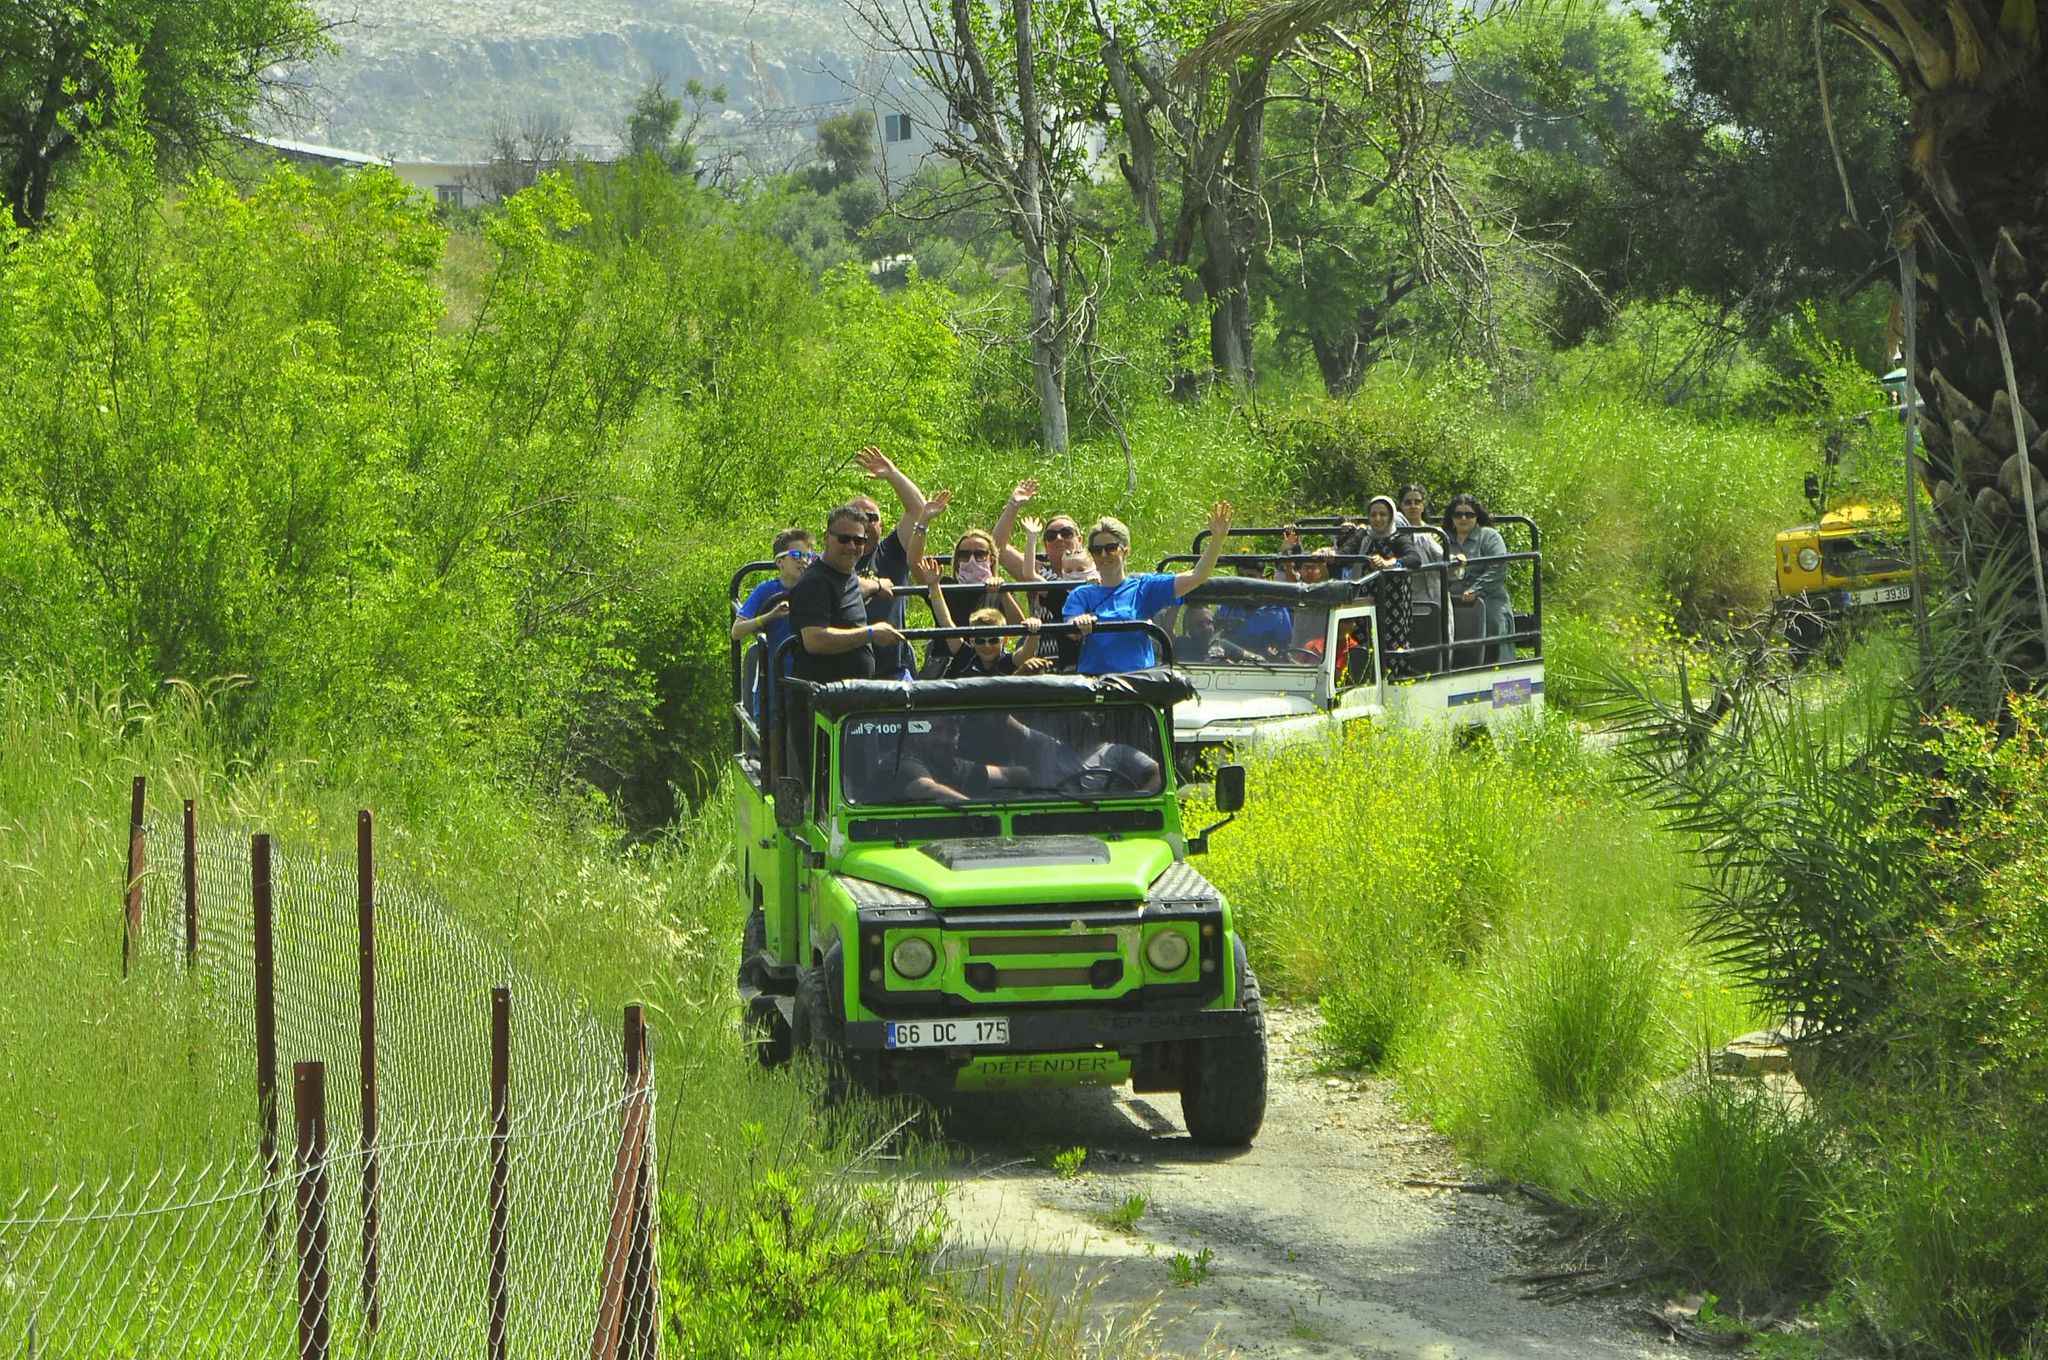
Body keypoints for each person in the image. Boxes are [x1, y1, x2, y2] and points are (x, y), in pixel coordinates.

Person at [1064, 504, 1234, 675]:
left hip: (1135, 681)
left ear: (1125, 551)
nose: (1103, 555)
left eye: (1110, 549)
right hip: (1094, 682)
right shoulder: (1082, 594)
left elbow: (1197, 576)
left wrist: (1217, 539)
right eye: (1096, 550)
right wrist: (1080, 622)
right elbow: (1071, 626)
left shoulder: (1143, 588)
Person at [852, 445, 944, 681]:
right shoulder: (834, 557)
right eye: (857, 516)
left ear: (881, 525)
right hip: (846, 663)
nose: (865, 522)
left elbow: (919, 509)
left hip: (892, 665)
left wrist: (893, 474)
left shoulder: (891, 551)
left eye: (872, 518)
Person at [788, 504, 904, 684]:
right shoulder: (814, 582)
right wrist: (871, 633)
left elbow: (854, 586)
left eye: (859, 541)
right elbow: (815, 640)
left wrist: (877, 585)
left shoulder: (847, 574)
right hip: (824, 698)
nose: (851, 546)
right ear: (827, 538)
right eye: (844, 539)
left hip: (853, 694)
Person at [995, 479, 1089, 671]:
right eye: (1051, 536)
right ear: (1045, 544)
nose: (1059, 538)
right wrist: (1013, 505)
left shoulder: (1093, 571)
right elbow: (997, 549)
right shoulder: (1038, 572)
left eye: (1066, 533)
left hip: (1088, 657)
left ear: (1080, 539)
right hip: (1045, 660)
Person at [732, 528, 815, 722]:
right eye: (796, 555)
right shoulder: (766, 591)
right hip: (773, 684)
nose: (804, 560)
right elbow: (737, 631)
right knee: (774, 742)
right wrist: (769, 616)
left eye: (809, 555)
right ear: (780, 562)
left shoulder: (815, 589)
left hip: (806, 680)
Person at [1337, 496, 1422, 671]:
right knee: (1361, 644)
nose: (1378, 519)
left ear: (1391, 516)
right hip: (1364, 601)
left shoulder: (1398, 538)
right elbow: (1344, 554)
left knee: (1389, 646)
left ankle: (1393, 680)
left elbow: (1414, 559)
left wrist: (1391, 563)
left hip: (1392, 605)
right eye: (1373, 514)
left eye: (1383, 514)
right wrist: (1329, 553)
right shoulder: (1364, 536)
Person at [1445, 493, 1514, 664]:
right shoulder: (1444, 540)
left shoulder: (1489, 536)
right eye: (1458, 514)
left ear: (1477, 516)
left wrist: (1475, 590)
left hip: (1488, 600)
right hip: (1453, 602)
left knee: (1493, 638)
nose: (1463, 518)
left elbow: (1498, 568)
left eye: (1469, 514)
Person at [1397, 485, 1445, 608]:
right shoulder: (1394, 533)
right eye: (1408, 502)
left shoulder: (1435, 533)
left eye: (1417, 502)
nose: (1413, 506)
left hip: (1433, 592)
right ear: (1402, 506)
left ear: (1423, 505)